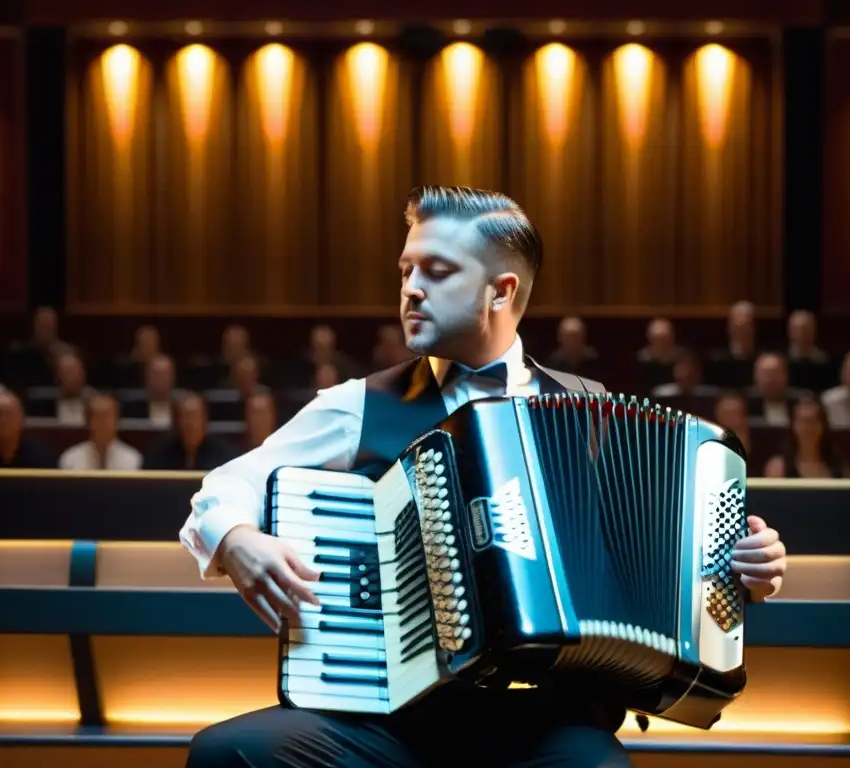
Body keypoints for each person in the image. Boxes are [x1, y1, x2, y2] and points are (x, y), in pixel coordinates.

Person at [179, 186, 789, 768]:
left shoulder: (592, 413)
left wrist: (744, 568)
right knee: (228, 753)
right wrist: (237, 540)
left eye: (437, 272)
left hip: (543, 727)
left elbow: (661, 559)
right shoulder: (357, 405)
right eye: (405, 270)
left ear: (501, 290)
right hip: (388, 726)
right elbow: (223, 489)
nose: (411, 290)